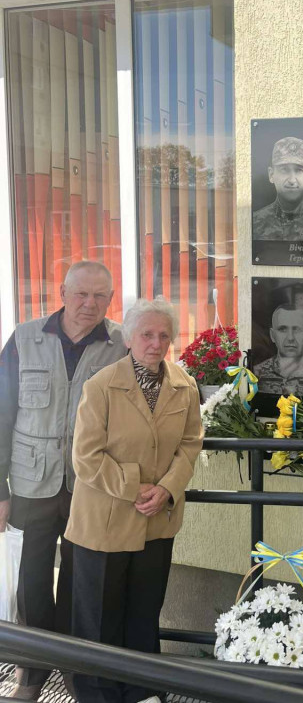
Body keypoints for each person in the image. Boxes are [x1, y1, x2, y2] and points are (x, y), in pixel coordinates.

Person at [65, 297, 203, 703]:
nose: (156, 343)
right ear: (128, 338)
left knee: (144, 614)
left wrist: (168, 488)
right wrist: (135, 488)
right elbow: (85, 456)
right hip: (103, 522)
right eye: (146, 334)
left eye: (164, 335)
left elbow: (191, 443)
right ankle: (97, 694)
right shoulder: (101, 385)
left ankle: (142, 690)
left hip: (157, 520)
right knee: (99, 620)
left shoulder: (184, 385)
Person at [0, 261, 126, 701]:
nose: (89, 303)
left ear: (110, 299)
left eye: (100, 295)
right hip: (31, 483)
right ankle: (31, 672)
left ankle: (76, 670)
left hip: (90, 487)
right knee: (31, 582)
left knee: (81, 582)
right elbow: (1, 415)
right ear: (63, 293)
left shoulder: (122, 344)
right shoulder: (24, 338)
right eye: (81, 294)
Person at [253, 136, 303, 241]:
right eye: (284, 170)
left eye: (299, 170)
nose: (292, 180)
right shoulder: (255, 222)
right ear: (271, 175)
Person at [254, 305, 303, 398]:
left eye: (297, 329)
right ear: (272, 335)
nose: (290, 338)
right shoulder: (257, 373)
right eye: (283, 329)